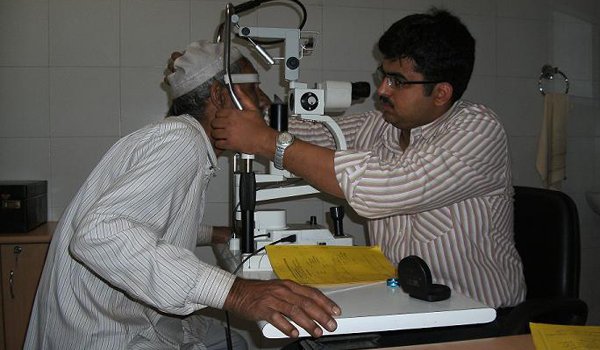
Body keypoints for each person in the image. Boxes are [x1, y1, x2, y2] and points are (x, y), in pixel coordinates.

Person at [25, 41, 340, 350]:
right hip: (105, 333)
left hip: (114, 317)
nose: (263, 103)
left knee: (234, 340)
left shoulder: (178, 137)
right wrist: (239, 293)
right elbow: (100, 233)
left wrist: (216, 233)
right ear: (218, 94)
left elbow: (150, 223)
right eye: (254, 89)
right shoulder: (181, 142)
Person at [211, 8, 527, 310]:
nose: (382, 91)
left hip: (481, 316)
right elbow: (315, 136)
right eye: (383, 75)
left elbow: (380, 188)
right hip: (402, 304)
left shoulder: (479, 129)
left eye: (398, 81)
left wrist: (267, 141)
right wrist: (252, 102)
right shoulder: (381, 125)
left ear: (441, 93)